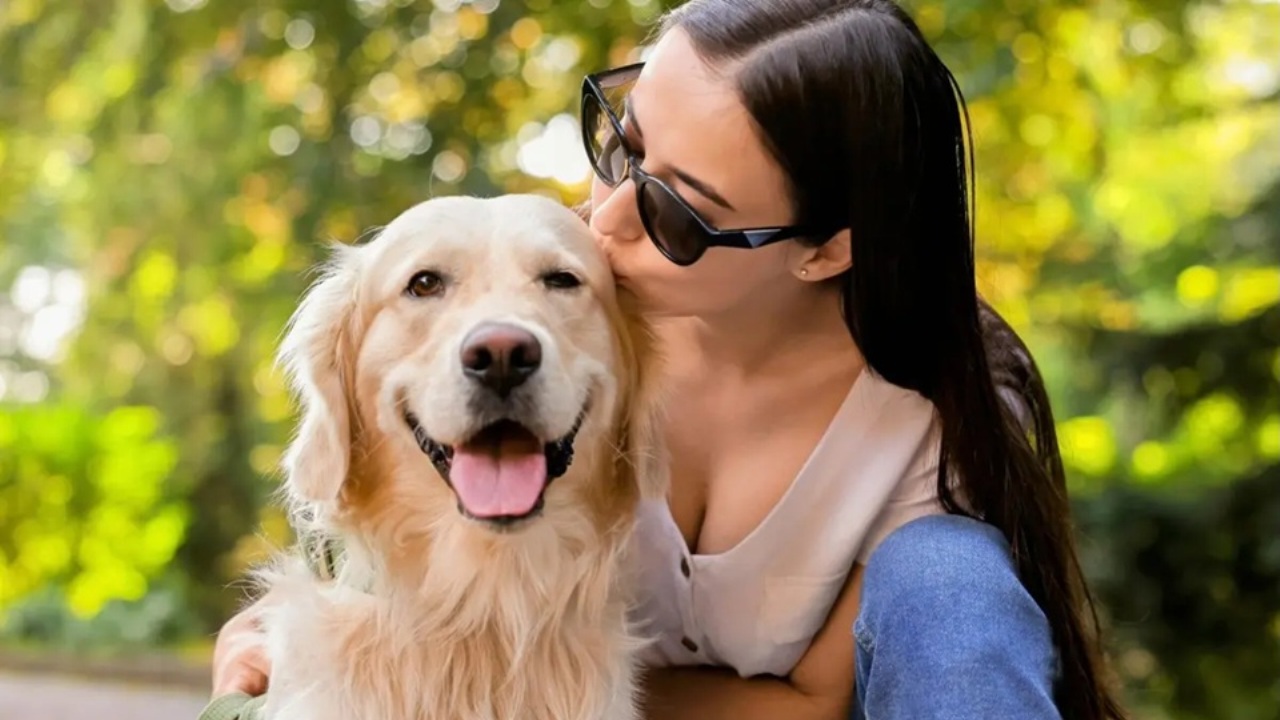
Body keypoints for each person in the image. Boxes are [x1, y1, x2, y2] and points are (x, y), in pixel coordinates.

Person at [210, 1, 1128, 718]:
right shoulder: (560, 307)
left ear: (826, 249)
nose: (602, 219)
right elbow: (377, 544)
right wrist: (281, 654)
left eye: (680, 210)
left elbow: (814, 706)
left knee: (947, 573)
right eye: (624, 144)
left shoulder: (927, 420)